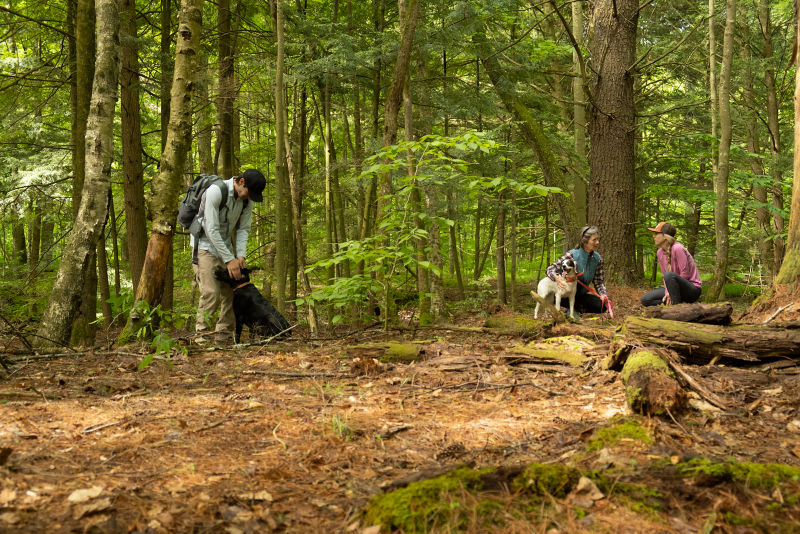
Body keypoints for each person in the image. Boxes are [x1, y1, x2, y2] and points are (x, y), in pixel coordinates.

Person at [192, 168, 266, 345]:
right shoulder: (216, 191)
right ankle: (201, 339)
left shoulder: (247, 201)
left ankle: (223, 338)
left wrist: (240, 255)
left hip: (225, 249)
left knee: (233, 292)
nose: (250, 198)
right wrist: (229, 259)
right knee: (211, 292)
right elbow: (211, 229)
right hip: (204, 247)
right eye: (249, 193)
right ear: (241, 182)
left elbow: (243, 229)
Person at [544, 225, 610, 315]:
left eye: (597, 239)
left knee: (602, 306)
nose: (597, 242)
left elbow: (598, 282)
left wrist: (603, 294)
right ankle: (572, 310)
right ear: (585, 241)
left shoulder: (597, 259)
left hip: (580, 295)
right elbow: (550, 269)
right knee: (576, 282)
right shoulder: (572, 255)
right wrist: (556, 277)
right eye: (594, 240)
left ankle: (575, 308)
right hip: (564, 294)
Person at [640, 221, 702, 307]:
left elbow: (685, 274)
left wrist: (670, 292)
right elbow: (664, 277)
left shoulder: (678, 248)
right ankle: (674, 305)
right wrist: (668, 292)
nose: (653, 236)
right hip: (674, 289)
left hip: (692, 289)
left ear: (665, 236)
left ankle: (676, 310)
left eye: (656, 233)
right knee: (646, 300)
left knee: (669, 275)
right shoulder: (660, 252)